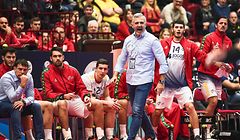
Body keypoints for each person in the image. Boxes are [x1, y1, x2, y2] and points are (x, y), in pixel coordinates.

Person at [112, 13, 168, 140]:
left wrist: (161, 81)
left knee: (136, 111)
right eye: (136, 23)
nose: (139, 25)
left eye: (142, 23)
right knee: (140, 111)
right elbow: (122, 58)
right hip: (130, 79)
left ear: (145, 24)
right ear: (132, 25)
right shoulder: (128, 40)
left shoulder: (152, 40)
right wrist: (116, 74)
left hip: (145, 80)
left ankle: (130, 138)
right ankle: (151, 135)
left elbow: (163, 61)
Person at [152, 20, 207, 140]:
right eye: (176, 27)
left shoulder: (190, 45)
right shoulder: (162, 43)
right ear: (172, 29)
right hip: (165, 85)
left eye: (180, 27)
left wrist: (217, 61)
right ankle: (153, 134)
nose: (178, 29)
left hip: (182, 85)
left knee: (190, 107)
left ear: (184, 30)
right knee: (157, 112)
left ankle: (197, 135)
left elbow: (202, 56)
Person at [41, 47, 104, 140]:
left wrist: (85, 96)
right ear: (51, 58)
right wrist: (62, 96)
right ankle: (68, 137)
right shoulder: (46, 73)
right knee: (63, 103)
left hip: (73, 100)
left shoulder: (72, 70)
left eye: (59, 56)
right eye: (55, 56)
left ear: (63, 57)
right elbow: (47, 94)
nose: (57, 58)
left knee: (97, 103)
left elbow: (81, 88)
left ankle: (100, 136)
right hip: (56, 103)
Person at [0, 59, 45, 140]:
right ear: (14, 68)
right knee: (16, 107)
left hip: (18, 103)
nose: (22, 72)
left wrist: (24, 102)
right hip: (2, 104)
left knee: (36, 107)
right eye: (20, 69)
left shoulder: (29, 77)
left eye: (25, 70)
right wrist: (22, 85)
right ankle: (18, 138)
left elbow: (31, 97)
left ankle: (40, 138)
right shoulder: (6, 78)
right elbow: (12, 98)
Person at [198, 16, 233, 117]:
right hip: (205, 75)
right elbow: (200, 56)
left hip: (219, 77)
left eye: (225, 24)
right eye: (221, 23)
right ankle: (205, 129)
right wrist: (215, 63)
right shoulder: (208, 37)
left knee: (217, 104)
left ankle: (210, 129)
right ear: (216, 25)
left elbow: (230, 61)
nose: (223, 25)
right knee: (213, 101)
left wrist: (230, 68)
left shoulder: (228, 41)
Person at [81, 58, 121, 140]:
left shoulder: (106, 78)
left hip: (97, 103)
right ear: (95, 69)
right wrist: (107, 103)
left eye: (105, 69)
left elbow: (106, 96)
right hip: (82, 102)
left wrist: (111, 102)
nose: (102, 71)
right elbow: (90, 99)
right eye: (100, 68)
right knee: (95, 106)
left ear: (107, 70)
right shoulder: (87, 78)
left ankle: (110, 136)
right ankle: (91, 136)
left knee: (112, 107)